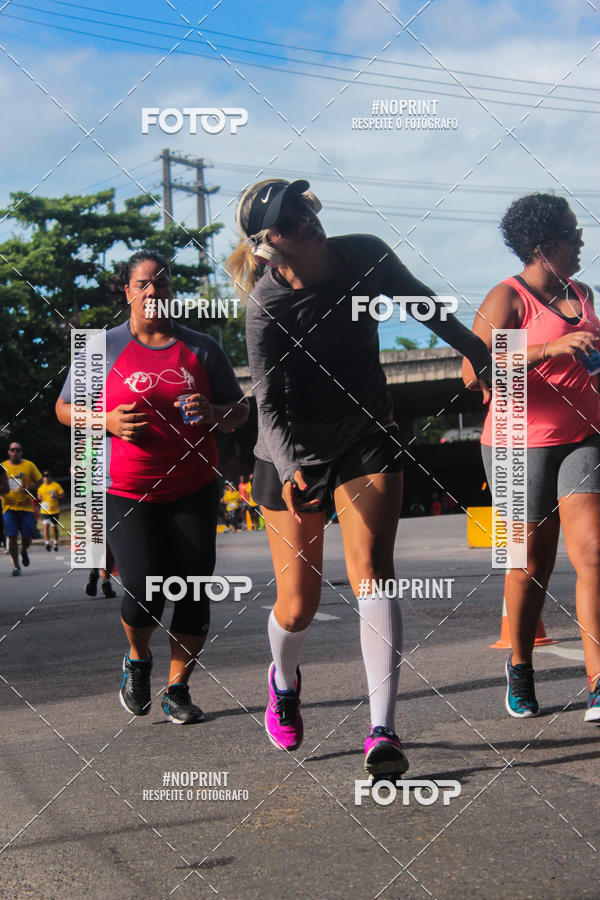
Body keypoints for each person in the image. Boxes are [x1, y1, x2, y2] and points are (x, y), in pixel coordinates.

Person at [227, 177, 492, 778]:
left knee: (372, 570)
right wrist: (290, 468)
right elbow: (267, 403)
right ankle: (284, 681)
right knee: (298, 606)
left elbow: (424, 305)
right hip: (290, 453)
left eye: (304, 207)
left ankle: (383, 730)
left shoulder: (366, 253)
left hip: (366, 434)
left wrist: (476, 350)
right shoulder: (267, 306)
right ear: (269, 242)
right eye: (288, 221)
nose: (306, 221)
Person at [56, 250, 249, 724]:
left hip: (193, 487)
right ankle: (138, 659)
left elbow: (240, 412)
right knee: (144, 588)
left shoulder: (202, 347)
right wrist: (106, 421)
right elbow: (63, 409)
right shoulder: (102, 347)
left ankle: (177, 688)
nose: (153, 291)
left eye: (162, 283)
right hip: (127, 491)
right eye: (143, 283)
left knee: (192, 590)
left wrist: (214, 412)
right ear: (127, 290)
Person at [463, 192, 600, 722]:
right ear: (542, 245)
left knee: (593, 554)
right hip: (516, 444)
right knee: (528, 566)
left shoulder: (584, 293)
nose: (581, 240)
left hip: (585, 436)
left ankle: (597, 684)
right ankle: (520, 664)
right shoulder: (507, 297)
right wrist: (548, 349)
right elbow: (472, 372)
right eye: (571, 233)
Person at [1, 442, 42, 576]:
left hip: (26, 507)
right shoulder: (3, 466)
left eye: (18, 450)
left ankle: (23, 550)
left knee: (27, 537)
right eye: (12, 450)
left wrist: (30, 488)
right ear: (9, 452)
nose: (15, 452)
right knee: (11, 536)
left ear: (21, 452)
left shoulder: (29, 465)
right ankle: (16, 566)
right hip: (8, 507)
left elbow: (39, 480)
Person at [37, 471, 64, 551]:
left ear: (51, 477)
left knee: (54, 527)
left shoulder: (56, 486)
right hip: (45, 510)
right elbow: (39, 497)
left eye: (47, 476)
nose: (46, 478)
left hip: (54, 510)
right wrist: (39, 498)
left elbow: (62, 495)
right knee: (45, 526)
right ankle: (47, 543)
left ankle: (55, 543)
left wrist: (56, 496)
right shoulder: (41, 487)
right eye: (44, 476)